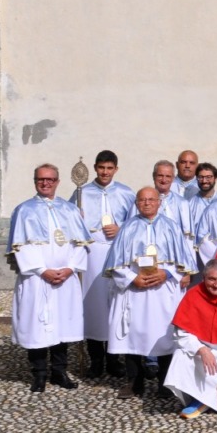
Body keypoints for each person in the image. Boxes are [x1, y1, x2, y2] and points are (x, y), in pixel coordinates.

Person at [105, 187, 194, 400]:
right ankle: (134, 382)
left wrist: (167, 273)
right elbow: (115, 265)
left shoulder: (172, 228)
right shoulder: (127, 229)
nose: (147, 203)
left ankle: (165, 382)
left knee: (165, 334)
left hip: (163, 292)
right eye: (142, 200)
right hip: (135, 291)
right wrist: (131, 278)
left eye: (151, 200)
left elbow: (184, 263)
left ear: (159, 203)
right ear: (136, 203)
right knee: (132, 336)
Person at [9, 164, 91, 393]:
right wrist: (41, 270)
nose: (45, 183)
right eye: (41, 180)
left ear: (58, 181)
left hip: (65, 278)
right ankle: (39, 374)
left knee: (62, 324)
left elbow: (80, 244)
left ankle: (59, 372)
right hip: (37, 279)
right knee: (38, 326)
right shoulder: (23, 210)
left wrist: (70, 268)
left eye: (50, 180)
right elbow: (20, 246)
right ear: (35, 181)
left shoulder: (70, 210)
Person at [69, 150, 134, 379]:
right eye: (101, 168)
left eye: (109, 168)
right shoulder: (81, 193)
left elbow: (135, 223)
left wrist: (121, 228)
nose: (105, 172)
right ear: (95, 168)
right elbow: (70, 225)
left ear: (116, 169)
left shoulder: (126, 193)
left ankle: (114, 358)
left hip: (116, 251)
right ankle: (95, 358)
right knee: (94, 306)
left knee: (115, 304)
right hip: (92, 252)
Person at [164, 259, 217, 419]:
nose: (216, 284)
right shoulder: (193, 295)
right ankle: (197, 400)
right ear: (204, 278)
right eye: (212, 279)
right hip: (201, 351)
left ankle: (202, 401)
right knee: (180, 356)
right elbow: (181, 332)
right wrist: (202, 350)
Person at [147, 159, 197, 263]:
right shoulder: (142, 202)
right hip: (147, 259)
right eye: (160, 175)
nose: (163, 180)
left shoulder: (183, 204)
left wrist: (188, 269)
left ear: (173, 178)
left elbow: (188, 240)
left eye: (168, 176)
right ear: (153, 176)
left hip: (176, 260)